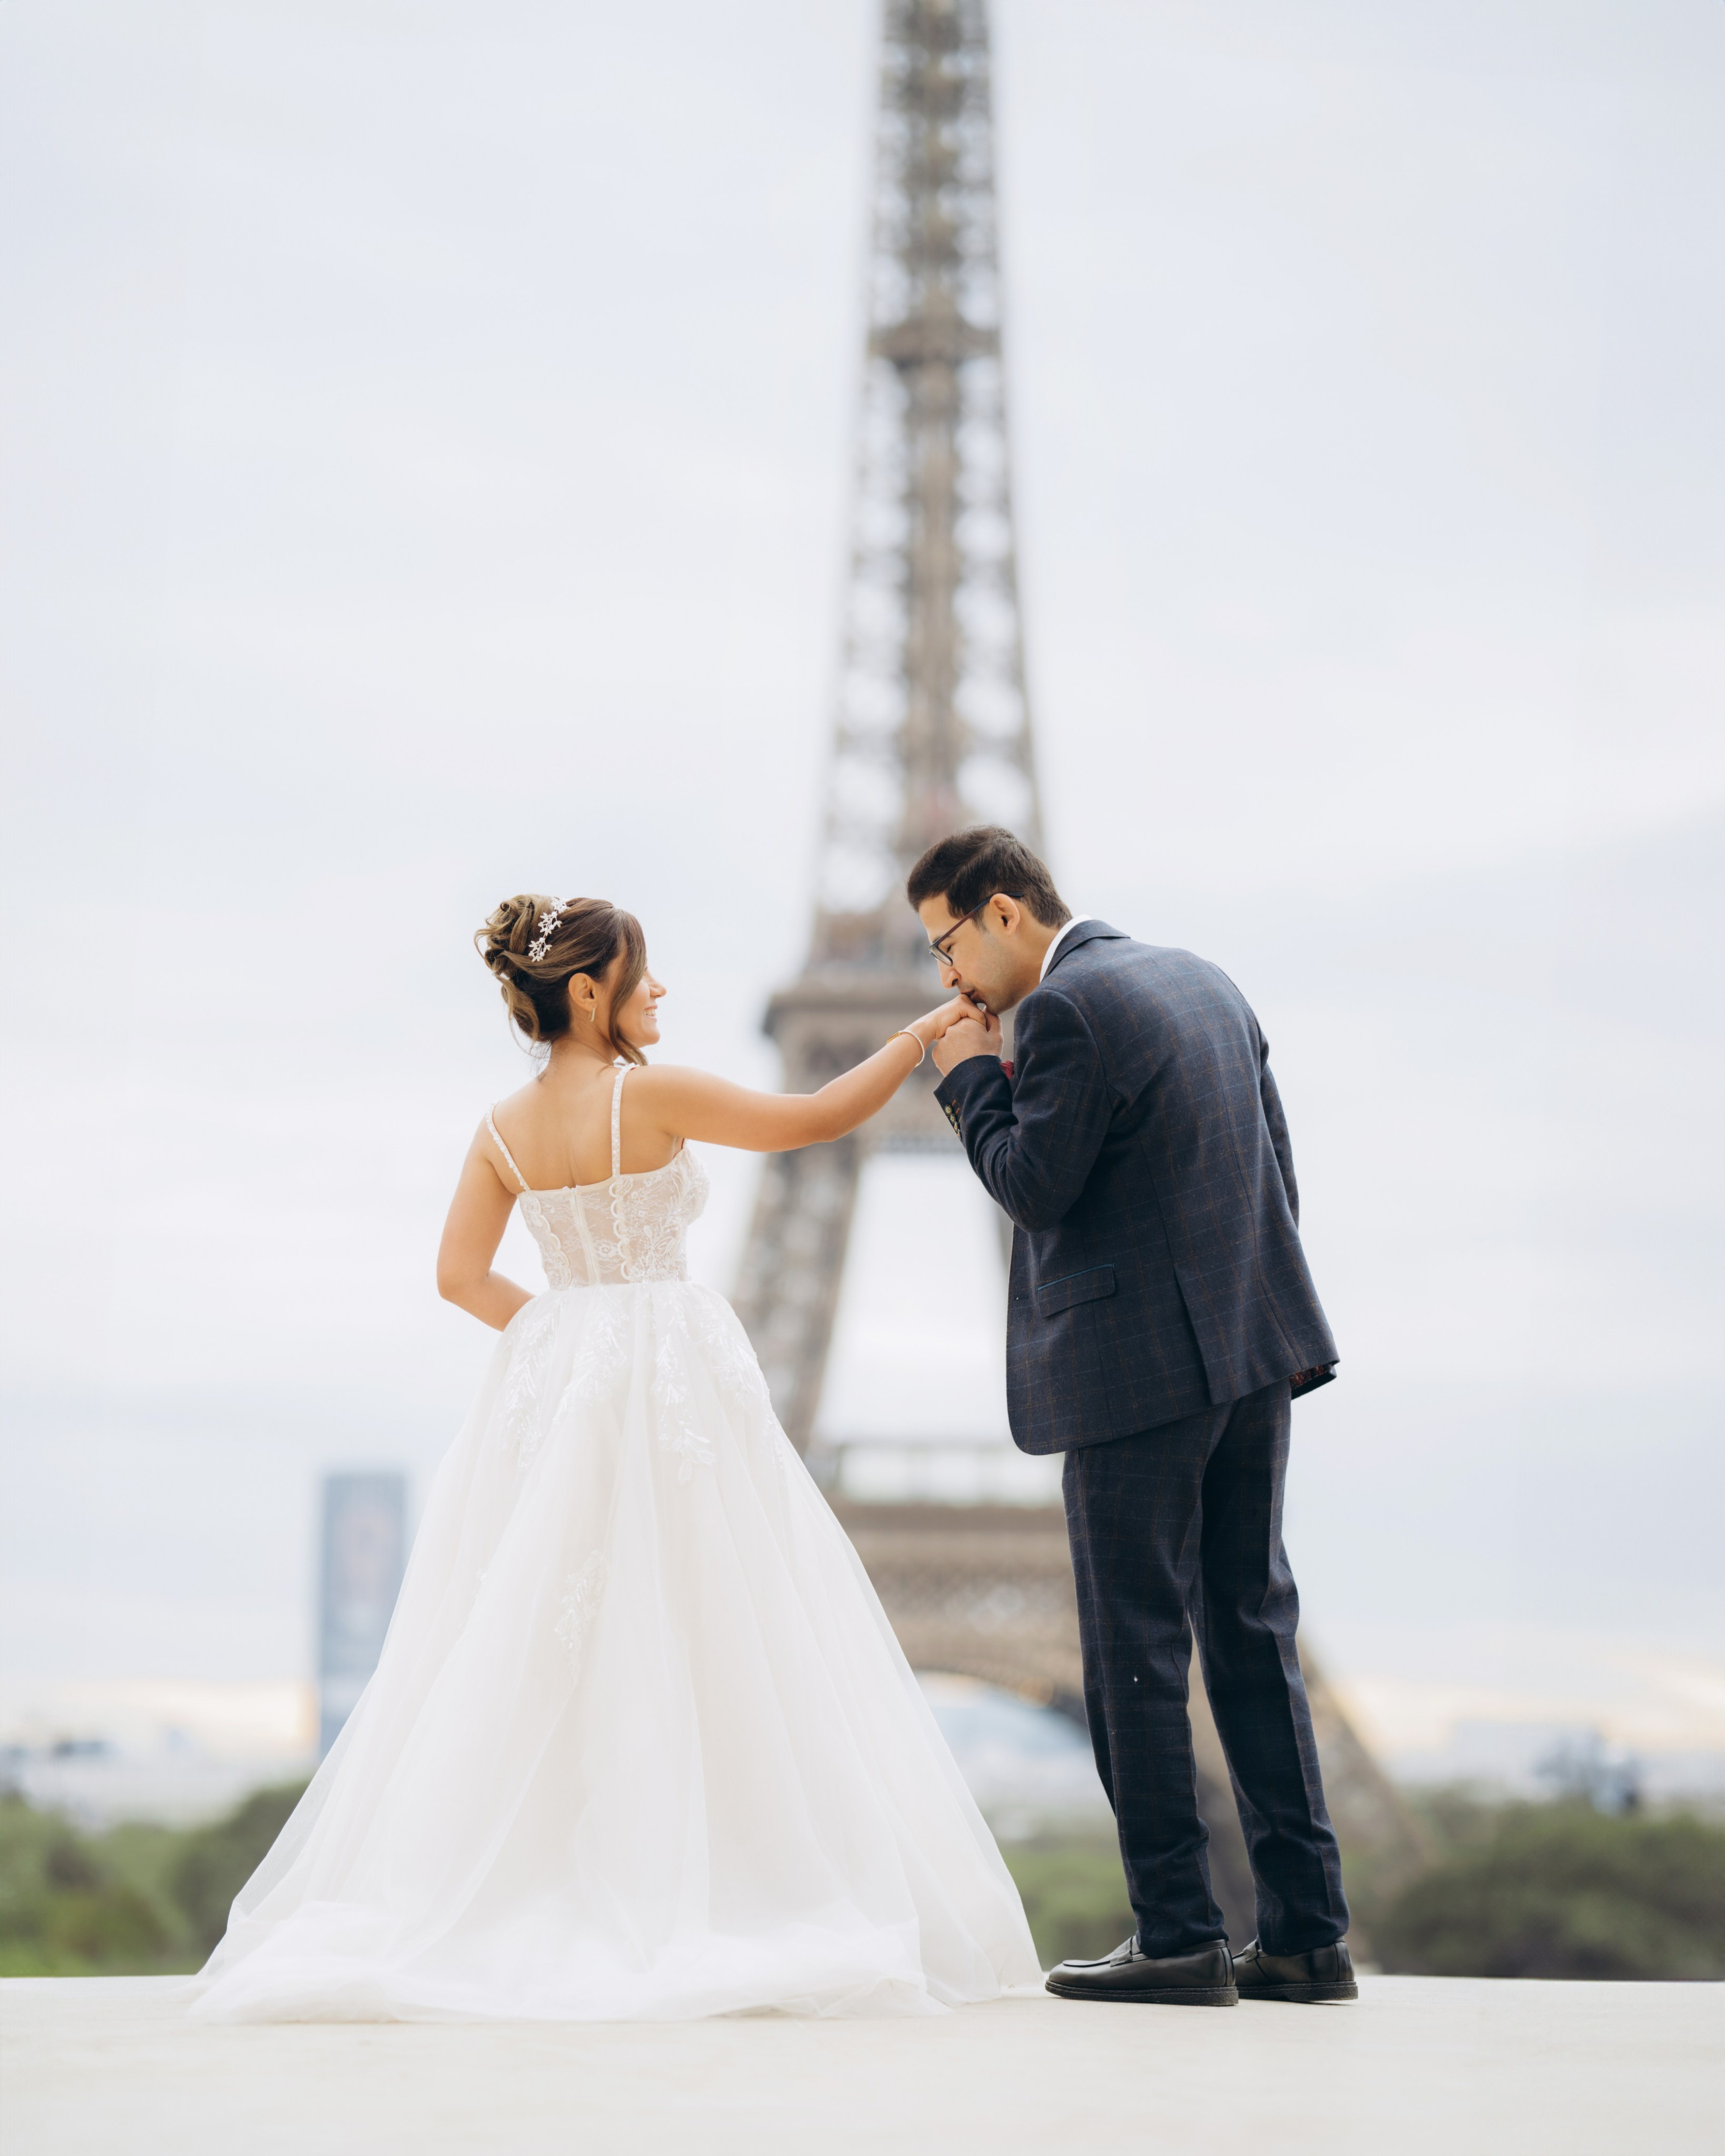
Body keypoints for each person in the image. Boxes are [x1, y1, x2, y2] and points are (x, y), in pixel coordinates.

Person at [189, 893, 1040, 2023]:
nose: (661, 993)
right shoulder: (653, 1095)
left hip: (572, 1400)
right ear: (587, 994)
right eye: (644, 978)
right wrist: (925, 1034)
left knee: (557, 1644)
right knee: (717, 1630)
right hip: (675, 1382)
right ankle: (705, 1886)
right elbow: (817, 1116)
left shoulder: (498, 1129)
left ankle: (561, 1889)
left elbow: (459, 1277)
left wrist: (567, 1339)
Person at [908, 826, 1356, 2008]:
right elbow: (1276, 1166)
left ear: (1004, 913)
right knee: (1252, 1633)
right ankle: (1308, 1938)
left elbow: (1034, 1190)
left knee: (1134, 1652)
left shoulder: (1060, 1015)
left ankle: (1177, 1937)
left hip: (1132, 1376)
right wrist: (1242, 1312)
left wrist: (966, 1076)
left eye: (948, 944)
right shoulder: (1202, 977)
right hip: (1251, 1348)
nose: (947, 978)